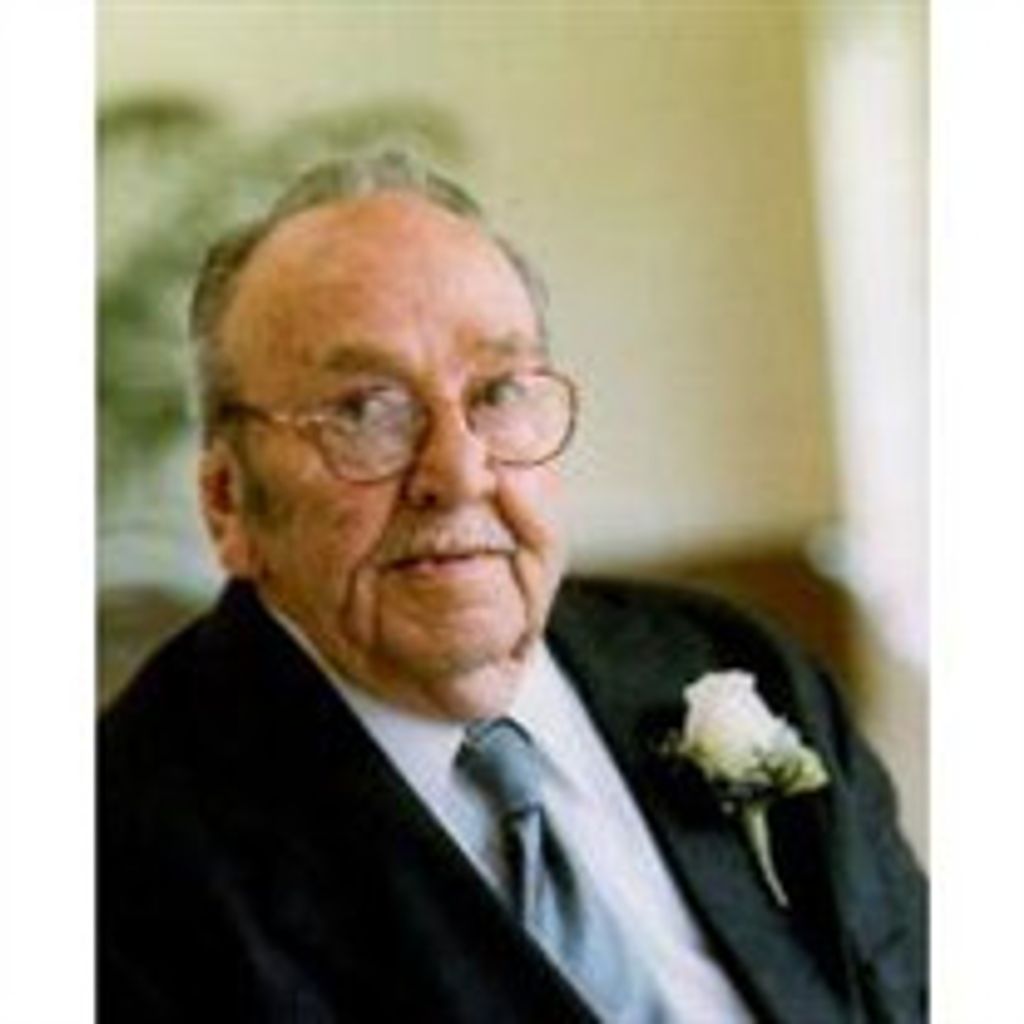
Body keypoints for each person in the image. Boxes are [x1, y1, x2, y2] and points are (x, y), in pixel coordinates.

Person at [100, 150, 926, 1023]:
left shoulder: (729, 662)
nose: (459, 474)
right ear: (227, 500)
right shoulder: (118, 867)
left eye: (497, 393)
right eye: (364, 410)